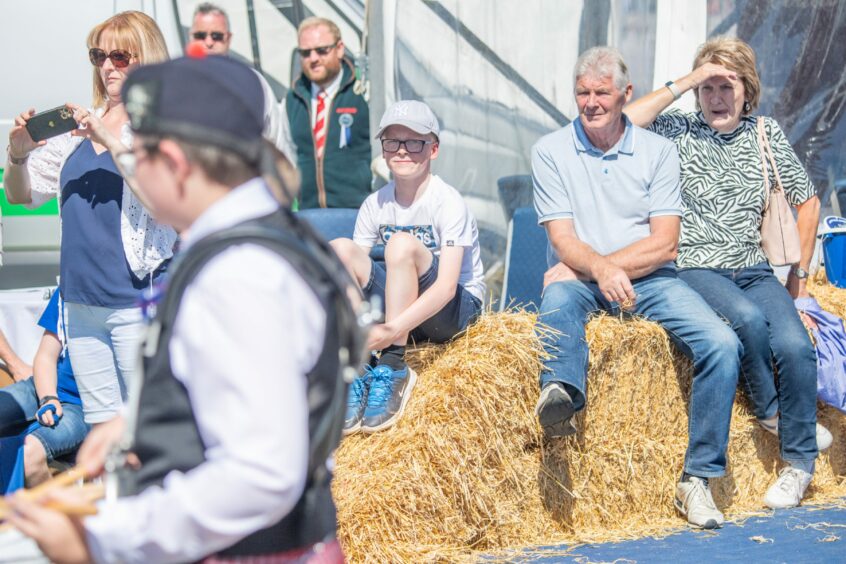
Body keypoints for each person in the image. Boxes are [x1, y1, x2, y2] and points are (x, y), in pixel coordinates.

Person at [6, 54, 357, 563]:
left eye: (137, 154)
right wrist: (136, 424)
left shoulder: (238, 273)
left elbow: (261, 471)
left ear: (174, 162)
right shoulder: (264, 243)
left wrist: (102, 539)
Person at [532, 47, 742, 529]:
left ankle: (698, 479)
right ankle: (561, 394)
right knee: (558, 299)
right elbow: (562, 239)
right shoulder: (549, 150)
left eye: (601, 92)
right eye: (582, 92)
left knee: (722, 343)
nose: (590, 102)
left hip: (648, 280)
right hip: (583, 279)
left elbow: (666, 245)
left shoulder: (659, 152)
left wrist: (599, 268)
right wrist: (595, 271)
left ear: (626, 95)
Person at [624, 36, 831, 510]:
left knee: (798, 345)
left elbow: (809, 200)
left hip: (754, 268)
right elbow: (625, 121)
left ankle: (799, 467)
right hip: (695, 266)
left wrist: (797, 278)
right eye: (708, 88)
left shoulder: (766, 133)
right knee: (746, 320)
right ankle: (773, 412)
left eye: (727, 86)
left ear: (747, 89)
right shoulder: (678, 128)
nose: (716, 98)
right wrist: (687, 80)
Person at [4, 11, 177, 426]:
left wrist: (108, 139)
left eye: (120, 56)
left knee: (145, 433)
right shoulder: (75, 131)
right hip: (80, 303)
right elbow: (20, 195)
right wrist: (18, 154)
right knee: (101, 433)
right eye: (98, 55)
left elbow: (163, 202)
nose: (106, 66)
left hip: (136, 303)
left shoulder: (163, 127)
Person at [330, 100, 485, 434]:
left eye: (413, 142)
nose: (402, 151)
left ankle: (393, 363)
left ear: (433, 149)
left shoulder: (448, 202)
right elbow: (352, 273)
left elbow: (446, 287)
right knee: (338, 250)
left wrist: (391, 331)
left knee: (399, 244)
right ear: (383, 150)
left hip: (454, 313)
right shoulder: (375, 204)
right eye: (392, 142)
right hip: (402, 313)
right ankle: (361, 362)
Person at [0, 290, 89, 487]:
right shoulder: (71, 285)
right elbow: (45, 356)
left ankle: (59, 515)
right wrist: (48, 397)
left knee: (28, 453)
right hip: (42, 386)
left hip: (85, 408)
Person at [188, 2, 296, 164]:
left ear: (228, 38)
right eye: (201, 36)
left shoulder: (252, 82)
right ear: (191, 37)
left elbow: (277, 140)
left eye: (217, 36)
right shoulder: (178, 83)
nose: (209, 42)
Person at [285, 16, 372, 209]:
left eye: (322, 50)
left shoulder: (363, 93)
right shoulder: (293, 99)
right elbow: (286, 154)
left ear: (339, 49)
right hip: (310, 215)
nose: (313, 59)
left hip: (357, 214)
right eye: (305, 53)